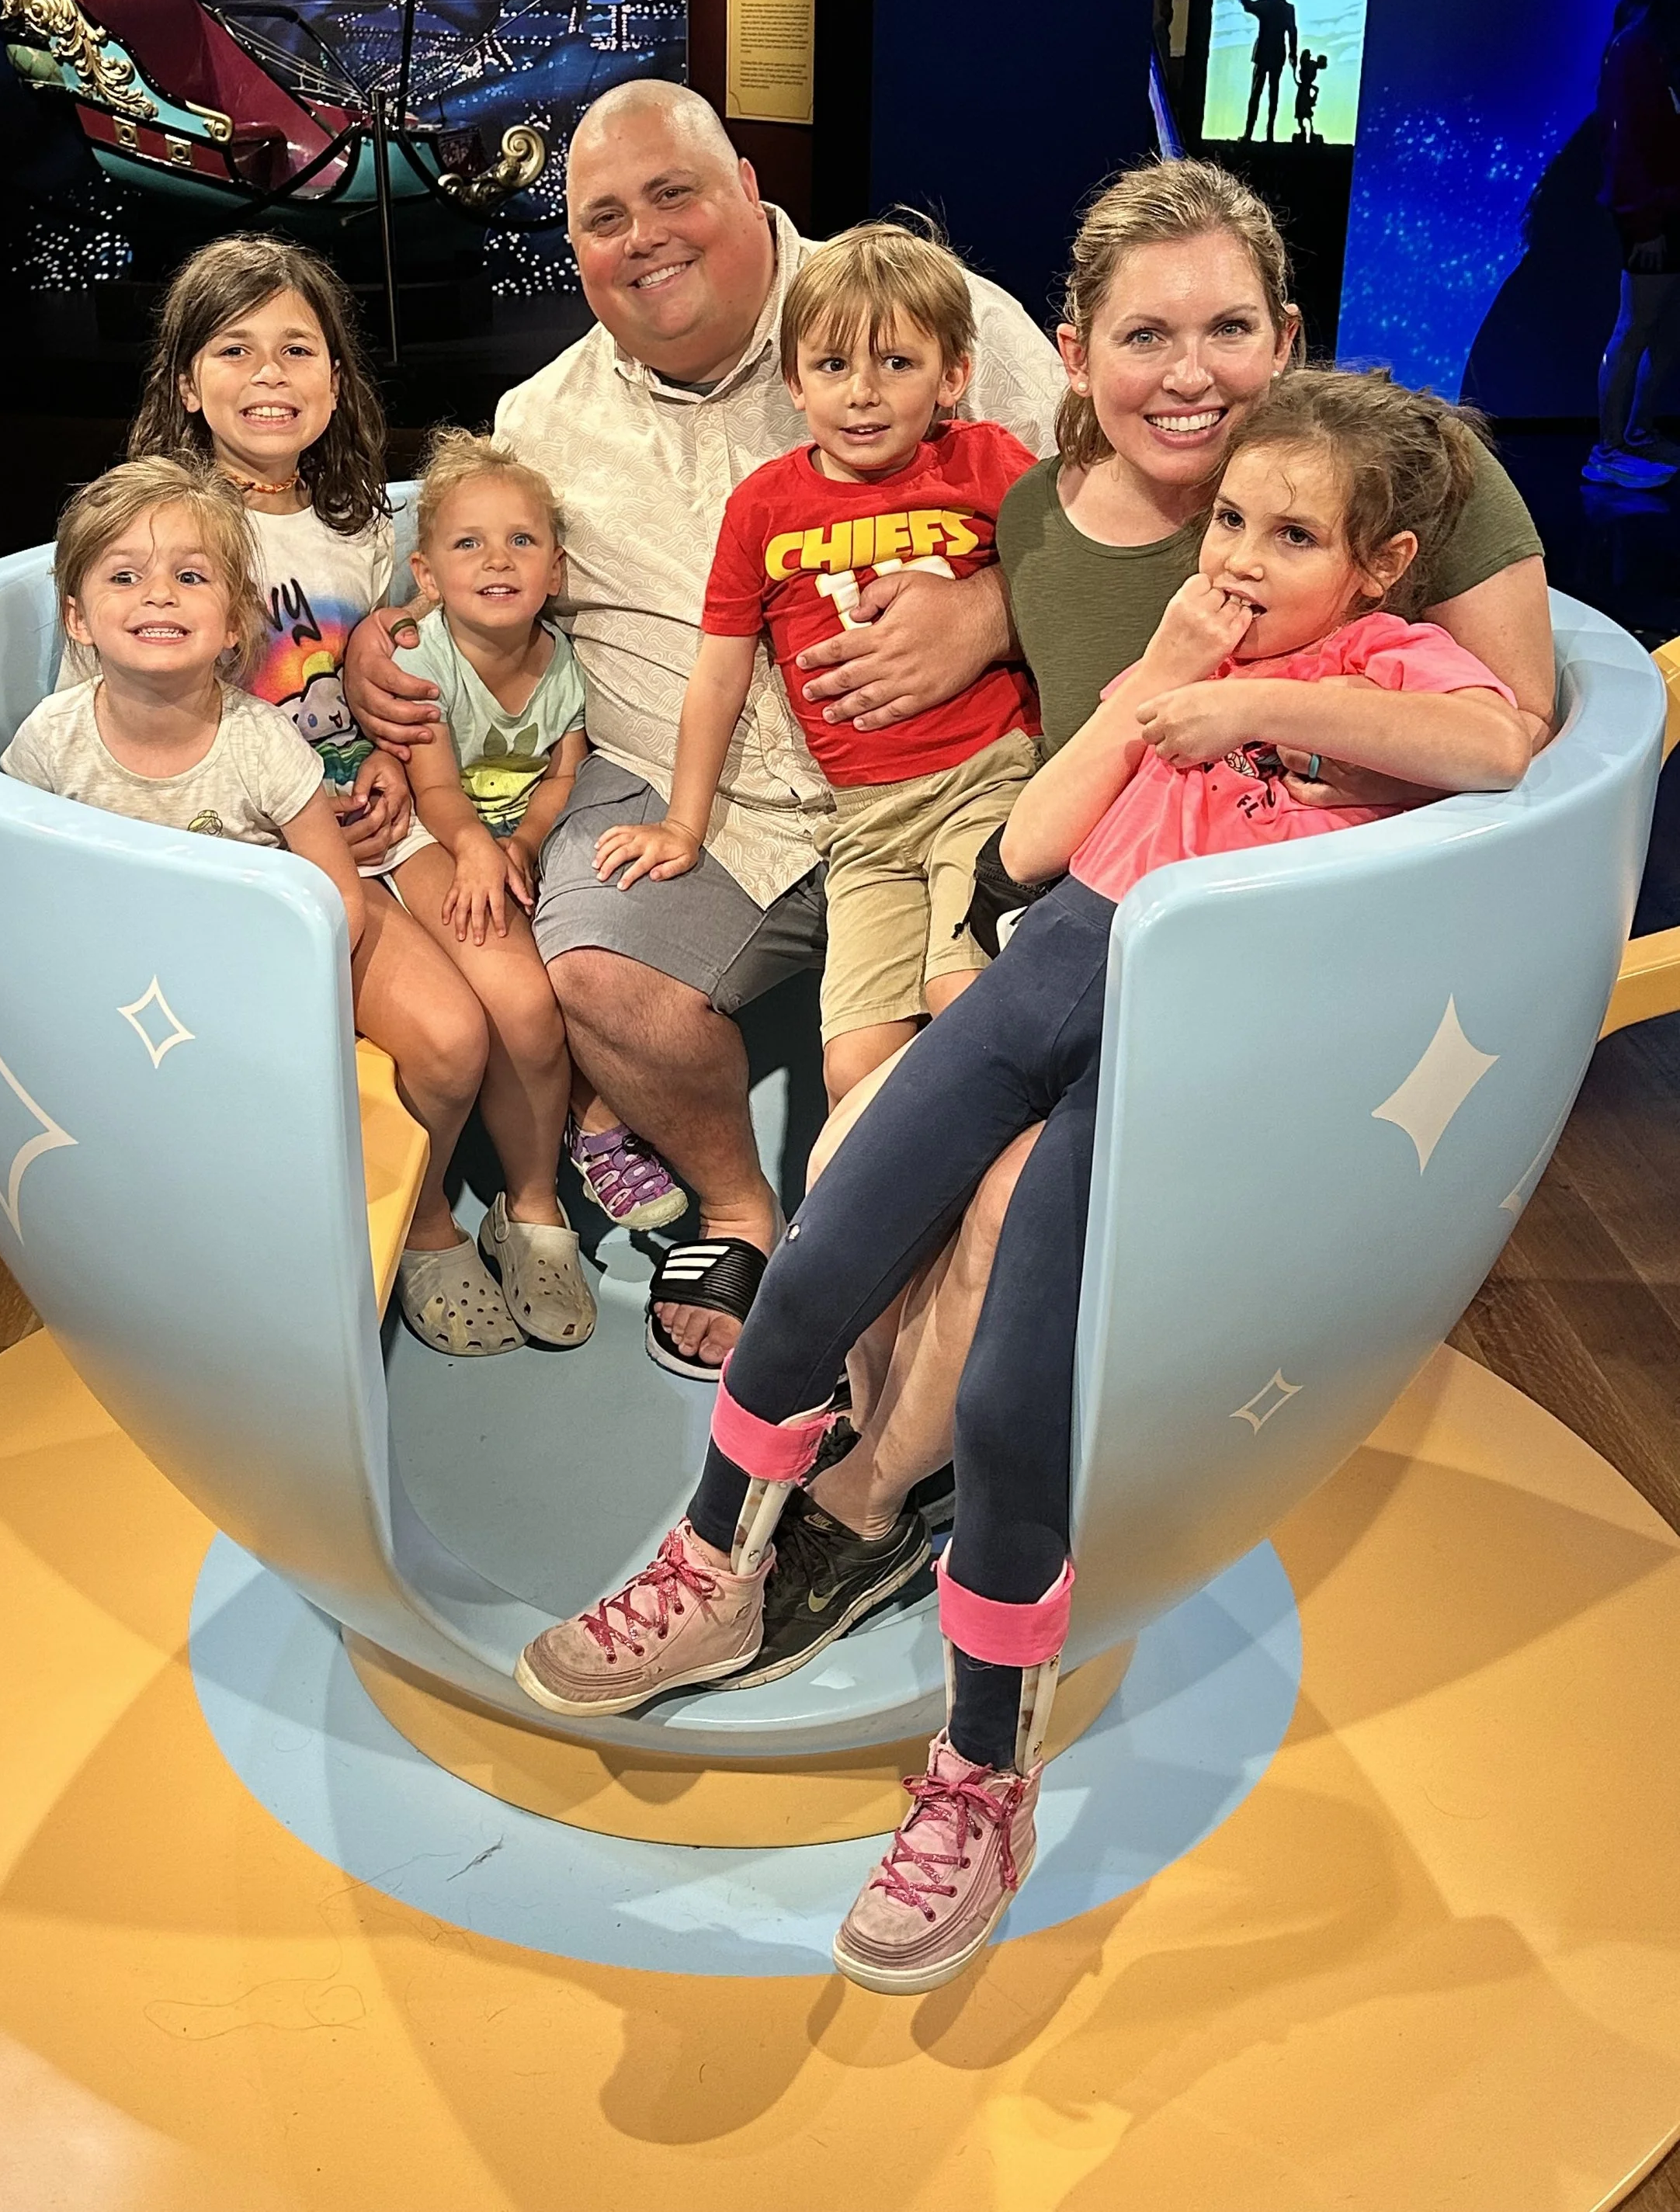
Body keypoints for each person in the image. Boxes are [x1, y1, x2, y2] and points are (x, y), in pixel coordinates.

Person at [515, 368, 1530, 1996]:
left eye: (1291, 533)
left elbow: (1493, 742)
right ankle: (713, 1565)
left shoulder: (1385, 664)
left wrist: (1262, 708)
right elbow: (1040, 853)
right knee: (824, 1255)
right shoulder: (1183, 653)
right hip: (1044, 974)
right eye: (1228, 522)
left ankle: (981, 1771)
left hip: (1172, 1043)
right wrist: (1159, 688)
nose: (1243, 558)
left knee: (1008, 1408)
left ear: (1382, 562)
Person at [717, 158, 1557, 1694]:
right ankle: (859, 1438)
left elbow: (1512, 735)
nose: (1188, 374)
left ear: (1287, 334)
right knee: (853, 1141)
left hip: (1249, 970)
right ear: (1077, 351)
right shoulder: (1040, 509)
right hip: (1075, 912)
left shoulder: (1395, 488)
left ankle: (871, 1499)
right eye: (1142, 335)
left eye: (1227, 328)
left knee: (1003, 1200)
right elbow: (1059, 762)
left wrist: (1247, 709)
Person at [341, 80, 1064, 1374]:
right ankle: (740, 1208)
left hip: (960, 770)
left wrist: (988, 612)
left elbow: (1103, 515)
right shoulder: (542, 421)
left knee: (992, 992)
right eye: (604, 217)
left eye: (673, 193)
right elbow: (449, 575)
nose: (644, 236)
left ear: (749, 187)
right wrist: (367, 652)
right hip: (700, 798)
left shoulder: (929, 312)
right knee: (596, 962)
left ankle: (955, 1265)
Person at [591, 221, 1036, 1132]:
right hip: (864, 825)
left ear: (952, 376)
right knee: (854, 1062)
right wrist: (683, 821)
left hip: (988, 784)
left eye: (896, 364)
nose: (862, 394)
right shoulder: (763, 506)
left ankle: (987, 1223)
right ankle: (883, 1241)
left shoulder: (985, 462)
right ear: (792, 381)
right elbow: (718, 672)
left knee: (963, 991)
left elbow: (1070, 571)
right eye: (832, 366)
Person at [3, 461, 490, 1271]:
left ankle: (421, 1214)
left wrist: (283, 984)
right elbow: (19, 883)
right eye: (125, 576)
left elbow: (338, 890)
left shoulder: (262, 739)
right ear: (77, 618)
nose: (157, 594)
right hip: (133, 981)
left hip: (264, 961)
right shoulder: (50, 742)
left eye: (189, 577)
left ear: (234, 622)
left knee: (454, 1036)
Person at [383, 432, 597, 1349]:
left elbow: (559, 776)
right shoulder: (419, 659)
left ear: (555, 568)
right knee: (487, 1001)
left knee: (529, 1004)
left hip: (504, 842)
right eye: (469, 543)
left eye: (520, 541)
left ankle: (535, 1206)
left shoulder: (565, 666)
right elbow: (432, 790)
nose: (497, 560)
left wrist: (530, 841)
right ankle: (426, 1230)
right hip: (427, 836)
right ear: (426, 574)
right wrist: (478, 847)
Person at [123, 234, 411, 871]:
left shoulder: (363, 526)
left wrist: (390, 761)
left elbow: (371, 688)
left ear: (335, 384)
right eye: (234, 349)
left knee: (504, 971)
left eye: (297, 349)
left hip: (368, 824)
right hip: (237, 846)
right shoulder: (149, 541)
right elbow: (104, 729)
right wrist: (295, 831)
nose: (270, 371)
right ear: (186, 387)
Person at [1588, 0, 1680, 492]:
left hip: (1669, 212)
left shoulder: (1664, 47)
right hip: (1647, 219)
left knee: (1664, 331)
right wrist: (1642, 220)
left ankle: (1638, 431)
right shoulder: (1634, 49)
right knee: (1637, 326)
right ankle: (1609, 445)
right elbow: (1624, 148)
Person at [1236, 0, 1296, 142]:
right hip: (1276, 54)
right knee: (1271, 93)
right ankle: (1267, 134)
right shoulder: (1286, 9)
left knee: (1258, 93)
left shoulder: (1271, 6)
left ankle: (1251, 133)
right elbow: (1293, 33)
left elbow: (1249, 6)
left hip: (1265, 53)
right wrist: (1293, 54)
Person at [1293, 47, 1328, 143]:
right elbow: (1306, 80)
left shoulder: (1312, 66)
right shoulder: (1311, 66)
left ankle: (1307, 132)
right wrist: (1312, 88)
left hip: (1305, 91)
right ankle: (1305, 132)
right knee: (1304, 113)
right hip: (1304, 92)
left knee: (1305, 114)